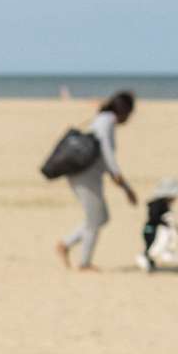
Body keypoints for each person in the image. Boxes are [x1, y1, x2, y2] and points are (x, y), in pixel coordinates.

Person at [54, 91, 138, 272]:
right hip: (85, 176)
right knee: (95, 219)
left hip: (88, 176)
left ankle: (66, 245)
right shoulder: (106, 122)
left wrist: (122, 184)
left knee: (101, 217)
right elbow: (107, 153)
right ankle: (83, 262)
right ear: (124, 110)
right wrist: (123, 183)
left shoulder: (103, 119)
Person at [138, 176, 178, 272]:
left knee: (152, 247)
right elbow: (154, 217)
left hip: (153, 229)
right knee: (151, 247)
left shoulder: (163, 204)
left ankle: (150, 262)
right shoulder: (157, 205)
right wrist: (165, 224)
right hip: (150, 229)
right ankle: (145, 259)